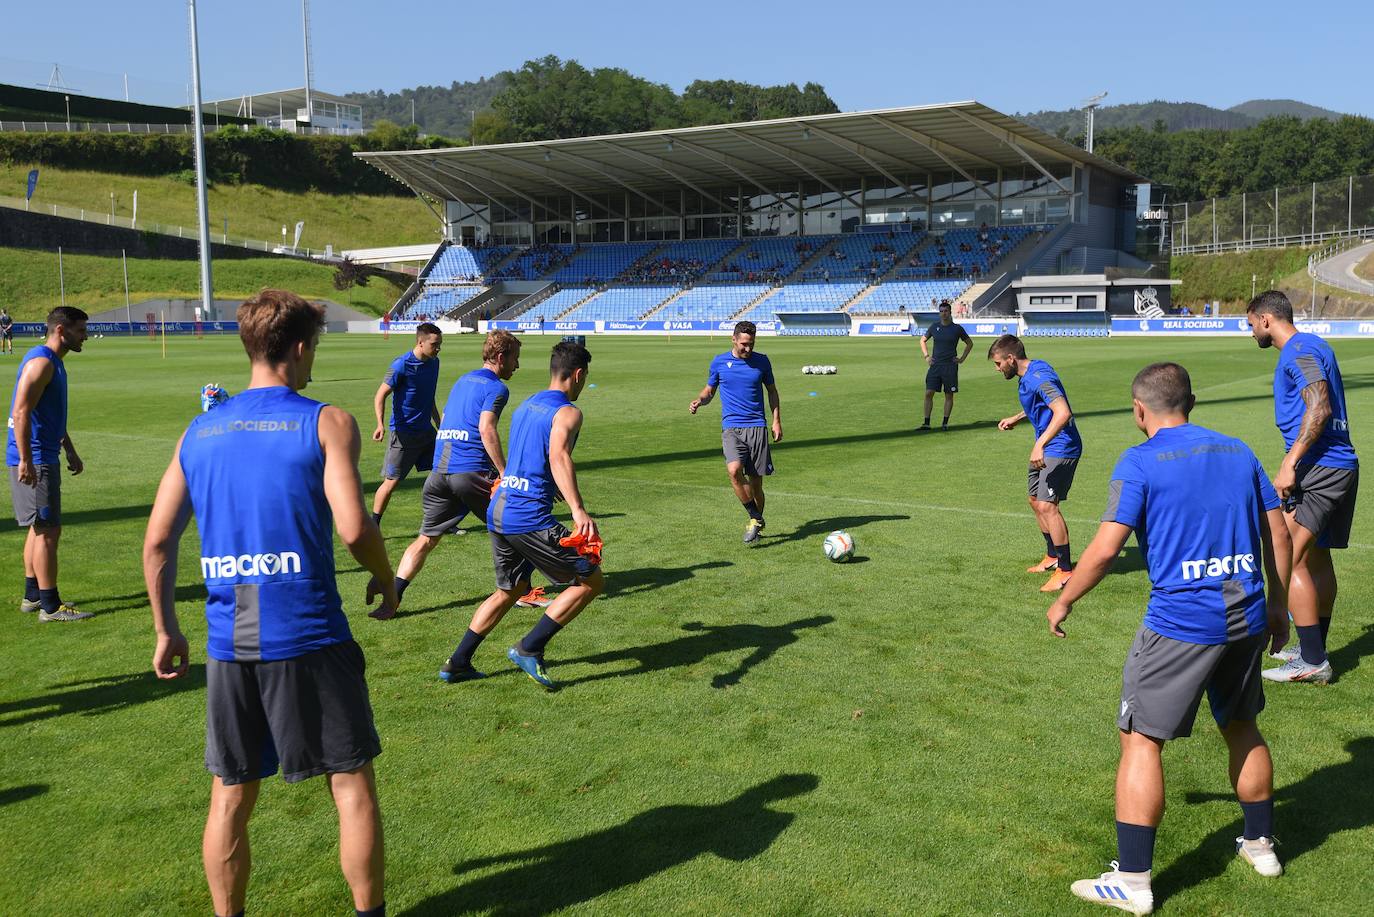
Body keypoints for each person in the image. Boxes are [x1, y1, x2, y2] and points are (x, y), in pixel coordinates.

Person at [143, 290, 396, 917]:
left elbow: (156, 541)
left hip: (235, 632)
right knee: (351, 784)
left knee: (230, 793)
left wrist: (165, 629)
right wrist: (387, 577)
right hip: (308, 626)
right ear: (302, 347)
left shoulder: (199, 429)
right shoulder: (326, 420)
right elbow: (354, 527)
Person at [1047, 362, 1291, 914]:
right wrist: (1278, 606)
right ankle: (1261, 846)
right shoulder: (1239, 450)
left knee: (1140, 740)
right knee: (1242, 724)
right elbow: (1275, 531)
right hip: (1247, 615)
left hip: (1181, 624)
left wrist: (1064, 597)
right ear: (1192, 400)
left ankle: (1133, 882)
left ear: (1139, 410)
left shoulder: (1139, 460)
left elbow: (1107, 550)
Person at [440, 340, 604, 690]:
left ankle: (457, 662)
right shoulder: (569, 412)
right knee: (591, 580)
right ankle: (529, 647)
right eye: (583, 376)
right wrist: (578, 509)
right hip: (527, 516)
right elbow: (559, 456)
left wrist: (552, 486)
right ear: (577, 375)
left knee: (510, 589)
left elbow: (530, 459)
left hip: (499, 509)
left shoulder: (526, 405)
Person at [375, 330, 548, 616]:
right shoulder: (497, 389)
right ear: (501, 357)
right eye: (515, 359)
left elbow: (445, 420)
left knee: (426, 539)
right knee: (512, 525)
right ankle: (522, 591)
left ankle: (393, 598)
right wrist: (504, 473)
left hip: (440, 473)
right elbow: (486, 428)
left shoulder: (462, 380)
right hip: (470, 473)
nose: (517, 366)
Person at [1246, 290, 1359, 684]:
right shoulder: (1315, 345)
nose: (1251, 334)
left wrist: (1289, 464)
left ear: (1265, 319)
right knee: (1316, 559)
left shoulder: (1297, 350)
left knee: (1288, 557)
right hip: (1340, 465)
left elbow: (1320, 405)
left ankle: (1313, 661)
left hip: (1318, 467)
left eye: (1250, 325)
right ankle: (1315, 649)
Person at [8, 306, 89, 621]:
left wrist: (69, 448)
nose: (84, 337)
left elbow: (48, 413)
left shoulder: (53, 362)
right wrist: (26, 460)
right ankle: (51, 606)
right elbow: (20, 413)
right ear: (61, 330)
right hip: (35, 458)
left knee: (38, 528)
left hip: (43, 454)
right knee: (48, 531)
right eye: (80, 330)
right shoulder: (42, 362)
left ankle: (32, 596)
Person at [989, 334, 1081, 592]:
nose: (998, 369)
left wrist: (1040, 444)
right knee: (1034, 500)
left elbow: (1063, 412)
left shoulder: (1038, 377)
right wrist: (1019, 416)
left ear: (1011, 358)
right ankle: (1052, 557)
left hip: (1060, 447)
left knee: (1047, 505)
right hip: (1045, 445)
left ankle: (1065, 570)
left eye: (998, 364)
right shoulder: (1033, 370)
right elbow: (1043, 405)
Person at [689, 321, 783, 544]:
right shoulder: (720, 362)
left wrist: (776, 421)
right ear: (733, 339)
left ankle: (756, 525)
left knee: (756, 483)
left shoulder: (762, 362)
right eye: (743, 344)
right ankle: (755, 517)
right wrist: (700, 401)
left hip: (757, 426)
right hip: (731, 426)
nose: (747, 349)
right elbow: (709, 390)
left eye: (751, 344)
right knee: (733, 471)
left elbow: (772, 392)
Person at [371, 323, 442, 527]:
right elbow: (380, 395)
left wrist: (439, 424)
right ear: (420, 342)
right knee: (391, 482)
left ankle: (443, 520)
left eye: (440, 345)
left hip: (426, 433)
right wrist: (380, 424)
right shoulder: (401, 364)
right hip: (403, 434)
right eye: (435, 344)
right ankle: (374, 524)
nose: (438, 349)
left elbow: (429, 397)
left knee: (442, 474)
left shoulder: (434, 363)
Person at [919, 301, 972, 431]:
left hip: (950, 366)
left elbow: (969, 343)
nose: (943, 313)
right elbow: (922, 340)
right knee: (928, 393)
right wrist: (927, 356)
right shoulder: (934, 327)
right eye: (941, 311)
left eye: (946, 311)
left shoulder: (957, 328)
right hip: (935, 366)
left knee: (949, 395)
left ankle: (945, 423)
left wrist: (962, 359)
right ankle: (926, 423)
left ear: (950, 312)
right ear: (939, 313)